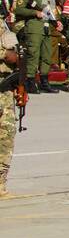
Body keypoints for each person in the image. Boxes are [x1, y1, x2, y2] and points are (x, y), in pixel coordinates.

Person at [14, 0, 58, 93]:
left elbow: (48, 10)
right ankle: (30, 82)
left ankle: (44, 81)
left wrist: (55, 22)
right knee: (34, 55)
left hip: (45, 28)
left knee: (46, 55)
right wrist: (34, 12)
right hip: (34, 28)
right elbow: (19, 9)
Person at [0, 28, 20, 197]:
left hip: (4, 90)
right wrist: (6, 53)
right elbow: (9, 54)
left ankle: (0, 184)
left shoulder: (2, 22)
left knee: (6, 136)